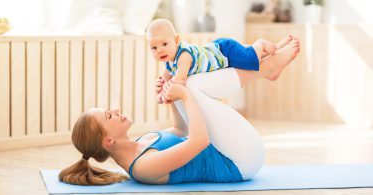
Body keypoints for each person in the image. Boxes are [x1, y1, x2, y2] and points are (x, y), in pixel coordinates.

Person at [58, 37, 300, 185]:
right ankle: (265, 69)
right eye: (108, 115)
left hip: (228, 150)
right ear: (108, 140)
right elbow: (199, 141)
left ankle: (264, 67)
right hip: (239, 163)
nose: (115, 110)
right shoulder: (142, 168)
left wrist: (171, 97)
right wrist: (183, 94)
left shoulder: (142, 142)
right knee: (190, 86)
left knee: (185, 82)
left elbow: (180, 129)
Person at [146, 19, 293, 104]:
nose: (159, 50)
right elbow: (164, 82)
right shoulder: (168, 63)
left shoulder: (184, 56)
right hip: (218, 51)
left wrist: (167, 93)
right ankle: (273, 51)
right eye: (154, 48)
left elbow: (179, 81)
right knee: (244, 58)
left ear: (176, 40)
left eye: (164, 44)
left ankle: (260, 44)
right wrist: (160, 91)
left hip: (224, 50)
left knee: (249, 59)